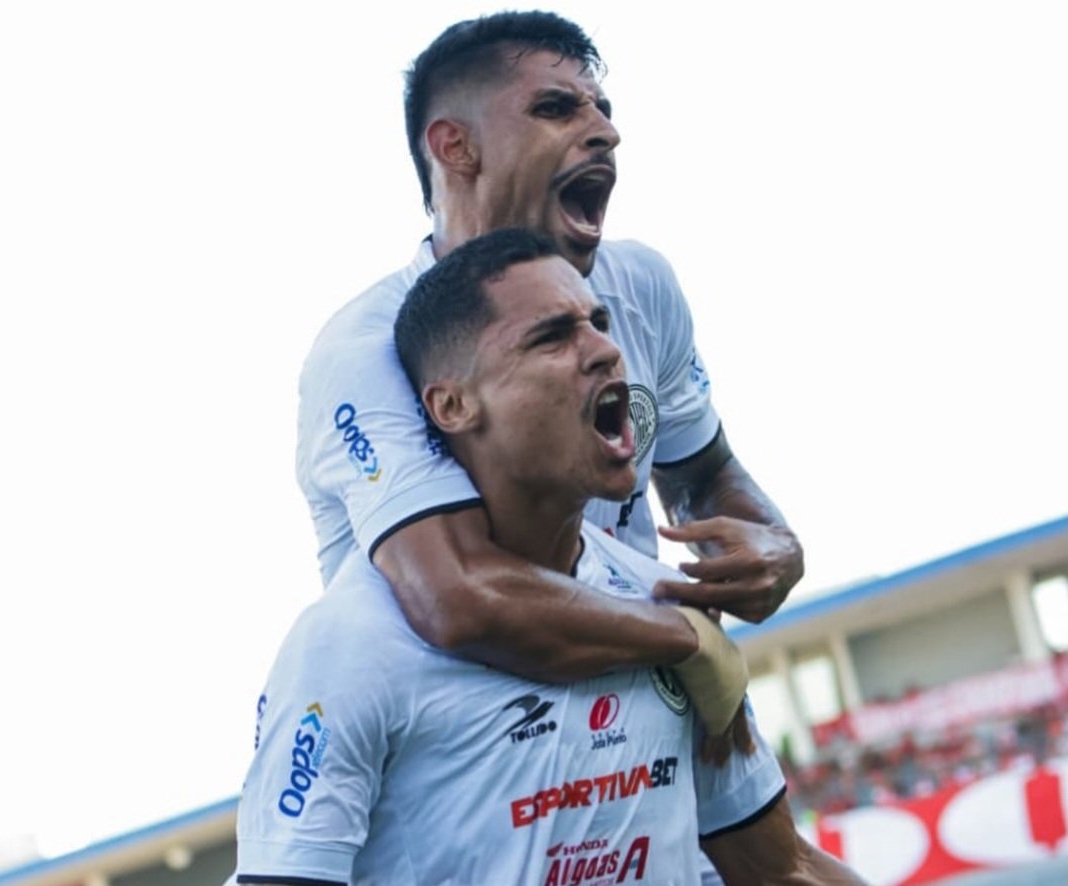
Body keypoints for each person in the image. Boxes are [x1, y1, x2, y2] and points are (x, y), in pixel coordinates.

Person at [237, 230, 860, 884]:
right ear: (453, 405)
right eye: (552, 338)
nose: (606, 351)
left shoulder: (665, 608)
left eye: (600, 323)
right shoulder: (350, 647)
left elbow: (781, 871)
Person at [298, 7, 801, 693]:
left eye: (603, 110)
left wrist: (770, 543)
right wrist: (695, 643)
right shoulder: (368, 347)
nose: (606, 132)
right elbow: (460, 598)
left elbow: (702, 475)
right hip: (467, 739)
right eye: (556, 108)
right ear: (455, 147)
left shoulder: (641, 284)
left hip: (652, 704)